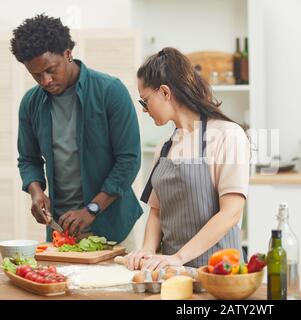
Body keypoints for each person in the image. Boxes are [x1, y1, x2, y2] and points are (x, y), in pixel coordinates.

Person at [11, 14, 143, 249]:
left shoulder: (110, 91)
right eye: (36, 75)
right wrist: (36, 192)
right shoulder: (30, 103)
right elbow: (28, 159)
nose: (46, 80)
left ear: (68, 53)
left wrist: (92, 209)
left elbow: (129, 160)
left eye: (51, 70)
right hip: (62, 232)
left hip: (113, 228)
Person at [125, 47, 250, 270]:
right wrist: (147, 250)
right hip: (172, 273)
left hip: (218, 274)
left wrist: (179, 257)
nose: (144, 110)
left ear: (165, 92)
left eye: (145, 101)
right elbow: (156, 211)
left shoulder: (227, 135)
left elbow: (231, 212)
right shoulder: (164, 147)